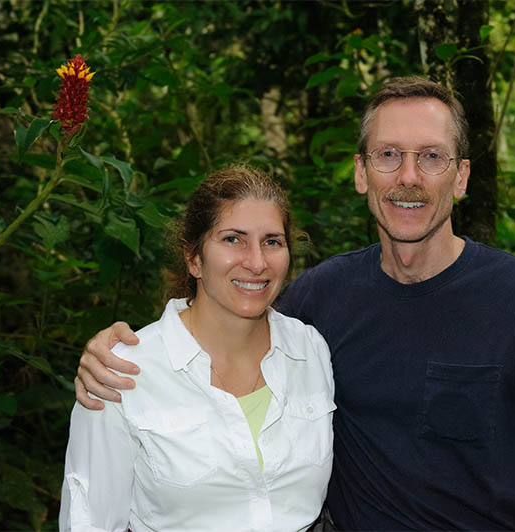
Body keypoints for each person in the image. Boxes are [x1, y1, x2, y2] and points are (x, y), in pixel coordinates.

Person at [75, 77, 515, 531]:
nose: (408, 177)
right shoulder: (320, 300)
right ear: (360, 172)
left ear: (460, 177)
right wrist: (118, 350)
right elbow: (227, 317)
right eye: (388, 155)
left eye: (431, 157)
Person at [60, 165, 335, 532]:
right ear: (194, 258)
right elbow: (88, 521)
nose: (256, 262)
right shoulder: (121, 371)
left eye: (272, 241)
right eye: (233, 239)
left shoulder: (310, 351)